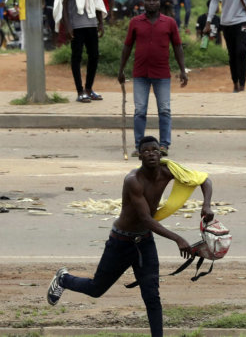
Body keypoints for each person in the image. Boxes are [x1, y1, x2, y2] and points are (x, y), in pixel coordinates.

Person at [46, 136, 213, 337]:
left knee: (152, 296)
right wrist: (178, 238)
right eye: (146, 151)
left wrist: (206, 205)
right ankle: (63, 279)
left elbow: (204, 179)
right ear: (139, 155)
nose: (151, 153)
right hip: (121, 242)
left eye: (155, 150)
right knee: (96, 289)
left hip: (144, 242)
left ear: (161, 153)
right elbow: (145, 218)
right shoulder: (133, 181)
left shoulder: (168, 172)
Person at [118, 0, 188, 156]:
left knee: (164, 110)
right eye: (148, 0)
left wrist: (183, 70)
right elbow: (127, 46)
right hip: (140, 73)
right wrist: (121, 69)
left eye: (154, 0)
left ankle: (163, 145)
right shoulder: (135, 22)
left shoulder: (169, 22)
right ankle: (139, 146)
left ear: (159, 3)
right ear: (143, 3)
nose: (151, 3)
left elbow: (178, 46)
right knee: (140, 111)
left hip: (162, 73)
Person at [54, 0, 107, 103]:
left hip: (91, 21)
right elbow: (62, 3)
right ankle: (80, 91)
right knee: (76, 57)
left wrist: (101, 22)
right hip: (76, 24)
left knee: (94, 56)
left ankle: (89, 89)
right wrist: (68, 25)